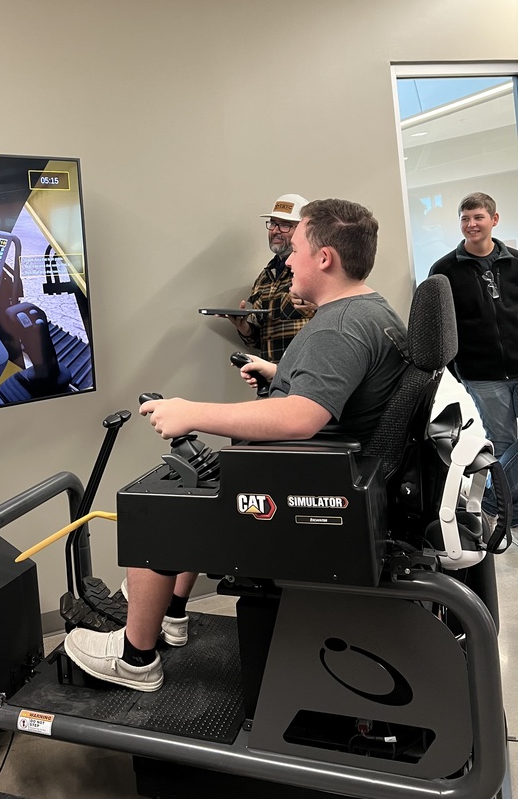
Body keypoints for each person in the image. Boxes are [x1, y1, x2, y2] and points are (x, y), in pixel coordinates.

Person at [64, 198, 407, 692]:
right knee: (192, 485)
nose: (288, 261)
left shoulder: (339, 325)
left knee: (152, 510)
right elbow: (338, 388)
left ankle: (135, 659)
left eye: (296, 249)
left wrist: (190, 412)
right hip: (326, 472)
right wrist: (280, 372)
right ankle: (172, 615)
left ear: (325, 257)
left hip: (311, 491)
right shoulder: (370, 311)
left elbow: (301, 417)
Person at [428, 191, 518, 533]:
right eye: (465, 218)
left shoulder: (516, 262)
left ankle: (492, 502)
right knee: (504, 441)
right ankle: (511, 512)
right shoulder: (443, 270)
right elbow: (440, 324)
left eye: (478, 217)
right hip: (482, 374)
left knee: (507, 448)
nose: (471, 224)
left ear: (494, 220)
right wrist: (457, 366)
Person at [227, 193, 315, 364]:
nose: (275, 230)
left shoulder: (315, 271)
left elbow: (341, 317)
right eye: (273, 223)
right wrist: (245, 328)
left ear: (304, 230)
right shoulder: (264, 278)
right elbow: (261, 341)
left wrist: (320, 307)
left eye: (285, 225)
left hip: (308, 373)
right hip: (272, 376)